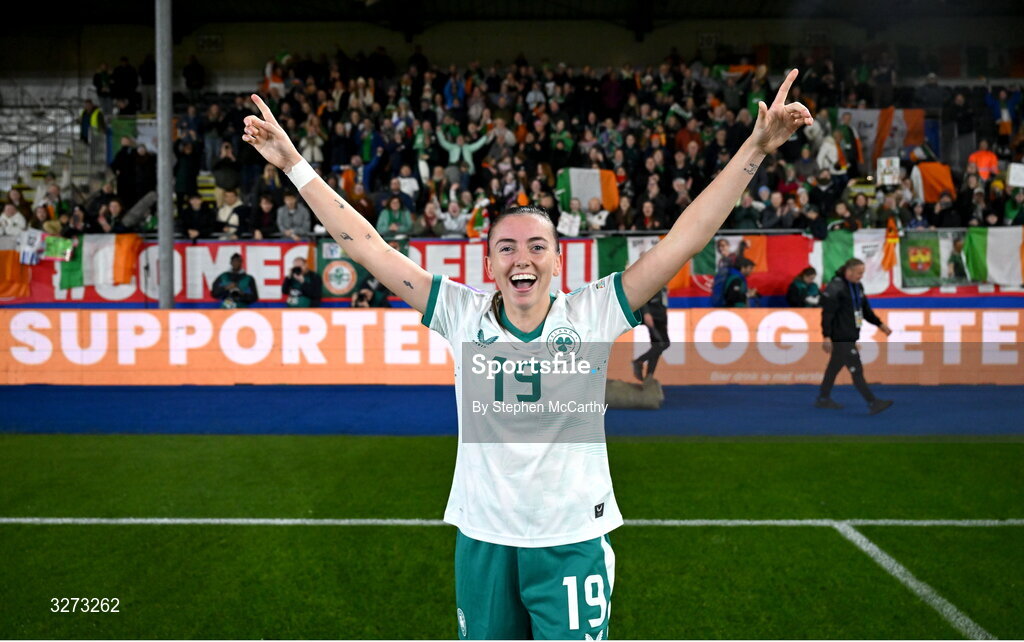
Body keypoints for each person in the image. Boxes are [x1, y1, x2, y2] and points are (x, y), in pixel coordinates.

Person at [240, 68, 810, 639]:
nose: (522, 259)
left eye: (538, 246)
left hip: (570, 541)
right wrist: (295, 166)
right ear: (489, 265)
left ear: (558, 261)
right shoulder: (460, 315)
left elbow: (684, 238)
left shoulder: (593, 312)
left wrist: (755, 150)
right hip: (484, 538)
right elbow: (366, 246)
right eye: (506, 247)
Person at [817, 258, 894, 414]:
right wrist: (826, 336)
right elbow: (827, 314)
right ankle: (873, 402)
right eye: (859, 273)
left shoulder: (857, 287)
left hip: (850, 335)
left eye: (862, 273)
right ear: (849, 271)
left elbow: (865, 309)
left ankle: (823, 399)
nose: (861, 276)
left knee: (833, 368)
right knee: (856, 371)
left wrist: (880, 324)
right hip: (841, 337)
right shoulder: (836, 287)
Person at [632, 287, 669, 381]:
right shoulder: (655, 282)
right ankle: (639, 361)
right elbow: (642, 296)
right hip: (654, 317)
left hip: (660, 319)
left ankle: (649, 377)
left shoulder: (663, 287)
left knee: (657, 348)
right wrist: (646, 313)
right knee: (663, 344)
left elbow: (663, 304)